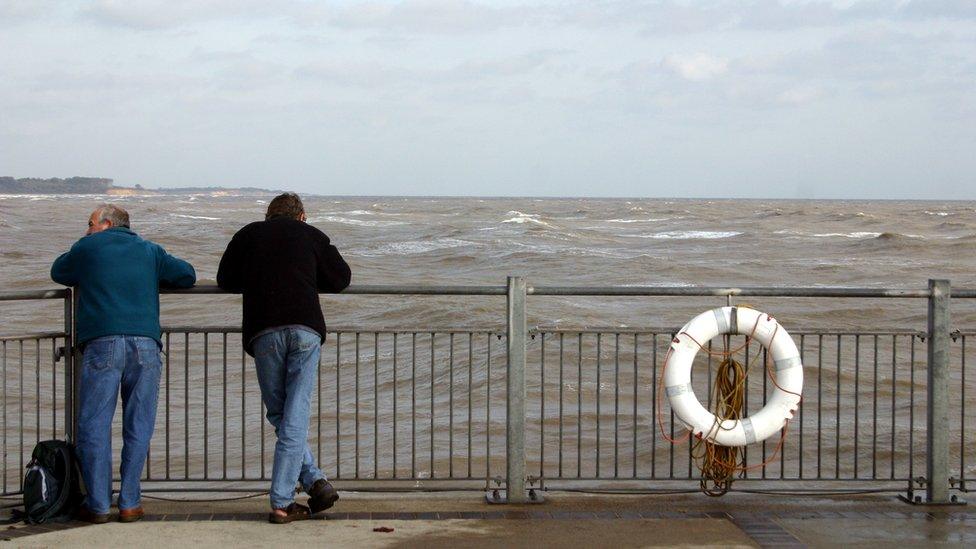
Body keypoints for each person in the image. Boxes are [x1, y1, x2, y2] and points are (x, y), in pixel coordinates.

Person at [51, 204, 196, 523]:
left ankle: (99, 503)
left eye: (89, 223)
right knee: (139, 424)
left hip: (103, 343)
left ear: (105, 224)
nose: (87, 228)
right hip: (145, 343)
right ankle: (130, 501)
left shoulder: (88, 246)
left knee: (93, 424)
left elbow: (59, 272)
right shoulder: (149, 249)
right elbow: (187, 275)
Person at [217, 192, 351, 523]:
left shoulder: (248, 235)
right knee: (294, 414)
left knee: (281, 412)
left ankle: (314, 483)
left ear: (269, 216)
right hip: (305, 329)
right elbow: (341, 278)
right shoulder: (313, 235)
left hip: (264, 331)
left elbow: (225, 279)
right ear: (302, 216)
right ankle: (285, 499)